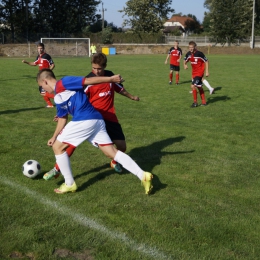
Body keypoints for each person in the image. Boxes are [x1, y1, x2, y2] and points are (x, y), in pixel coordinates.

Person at [37, 69, 153, 195]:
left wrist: (111, 79)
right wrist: (54, 136)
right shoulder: (58, 98)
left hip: (85, 119)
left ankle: (69, 183)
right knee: (111, 152)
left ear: (45, 81)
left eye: (41, 86)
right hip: (96, 120)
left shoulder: (63, 83)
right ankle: (143, 175)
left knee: (58, 147)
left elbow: (88, 81)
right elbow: (62, 117)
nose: (43, 89)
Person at [44, 52, 139, 180]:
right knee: (71, 144)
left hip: (110, 116)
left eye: (99, 69)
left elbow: (120, 89)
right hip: (93, 117)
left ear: (104, 67)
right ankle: (57, 169)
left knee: (122, 146)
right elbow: (75, 99)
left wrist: (132, 97)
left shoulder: (110, 76)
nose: (96, 71)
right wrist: (63, 113)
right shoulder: (88, 81)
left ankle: (114, 162)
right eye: (94, 68)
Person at [22, 43, 55, 108]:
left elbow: (53, 65)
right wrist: (26, 62)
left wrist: (48, 71)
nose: (39, 50)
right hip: (41, 76)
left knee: (43, 92)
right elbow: (34, 63)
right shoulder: (38, 57)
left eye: (41, 48)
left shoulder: (47, 56)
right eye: (38, 48)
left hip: (46, 76)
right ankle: (50, 104)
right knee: (43, 91)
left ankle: (59, 99)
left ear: (43, 49)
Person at [184, 41, 209, 107]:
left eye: (192, 47)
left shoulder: (199, 54)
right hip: (194, 74)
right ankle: (204, 102)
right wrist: (185, 64)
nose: (190, 49)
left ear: (195, 47)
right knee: (199, 87)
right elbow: (185, 59)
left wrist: (206, 71)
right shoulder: (188, 54)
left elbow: (206, 61)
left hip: (199, 73)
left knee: (193, 86)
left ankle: (195, 103)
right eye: (189, 47)